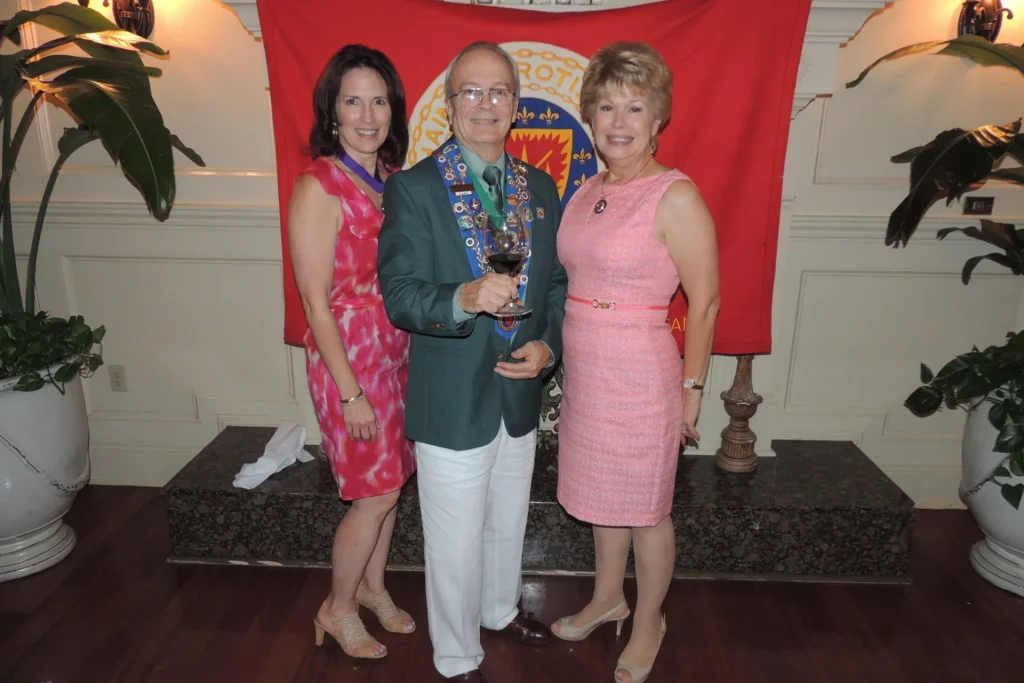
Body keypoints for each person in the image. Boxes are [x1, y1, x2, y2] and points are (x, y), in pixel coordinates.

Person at [377, 41, 567, 683]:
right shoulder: (413, 189)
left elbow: (556, 284)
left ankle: (498, 609)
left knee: (507, 522)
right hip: (453, 399)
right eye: (472, 91)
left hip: (519, 392)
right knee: (454, 541)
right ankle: (457, 657)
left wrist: (549, 346)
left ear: (515, 105)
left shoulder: (538, 187)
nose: (486, 104)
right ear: (450, 104)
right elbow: (400, 295)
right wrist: (461, 297)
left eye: (499, 92)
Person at [551, 42, 720, 683]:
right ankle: (607, 598)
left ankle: (649, 620)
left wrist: (692, 388)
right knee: (604, 494)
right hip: (587, 372)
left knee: (646, 509)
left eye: (634, 107)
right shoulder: (587, 189)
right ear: (590, 117)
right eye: (606, 107)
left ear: (657, 120)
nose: (618, 121)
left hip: (642, 373)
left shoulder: (675, 196)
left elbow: (706, 302)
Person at [288, 44, 417, 661]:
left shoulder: (393, 181)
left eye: (379, 101)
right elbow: (315, 304)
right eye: (353, 101)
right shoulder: (319, 186)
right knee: (375, 493)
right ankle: (336, 608)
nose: (368, 115)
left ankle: (372, 588)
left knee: (391, 485)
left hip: (397, 355)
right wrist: (350, 393)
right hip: (349, 362)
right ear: (332, 111)